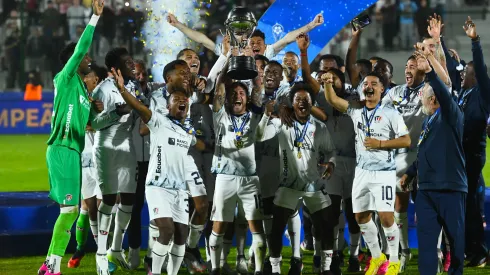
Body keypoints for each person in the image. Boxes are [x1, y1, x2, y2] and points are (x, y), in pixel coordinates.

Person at [111, 66, 208, 275]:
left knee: (182, 234)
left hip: (179, 189)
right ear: (168, 105)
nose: (181, 101)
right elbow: (138, 107)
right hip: (158, 186)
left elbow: (198, 144)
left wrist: (211, 146)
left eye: (184, 100)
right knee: (166, 229)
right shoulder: (159, 121)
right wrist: (122, 90)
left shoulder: (187, 131)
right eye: (176, 100)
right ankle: (154, 271)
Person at [37, 1, 104, 274]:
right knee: (69, 211)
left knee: (70, 211)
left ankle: (50, 264)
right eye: (85, 57)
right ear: (74, 62)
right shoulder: (65, 79)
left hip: (72, 152)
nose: (89, 59)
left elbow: (91, 126)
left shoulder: (84, 95)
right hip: (62, 149)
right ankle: (52, 264)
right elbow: (79, 50)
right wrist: (95, 19)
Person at [323, 71, 411, 275]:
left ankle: (395, 261)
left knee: (386, 217)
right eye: (365, 84)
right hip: (361, 172)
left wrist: (380, 143)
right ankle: (378, 257)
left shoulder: (391, 113)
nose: (369, 86)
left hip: (384, 173)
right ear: (362, 89)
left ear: (382, 89)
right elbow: (333, 100)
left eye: (374, 83)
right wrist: (328, 83)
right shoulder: (356, 111)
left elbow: (406, 140)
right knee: (360, 216)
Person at [256, 82, 337, 275]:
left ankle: (326, 269)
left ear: (311, 104)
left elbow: (331, 150)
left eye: (306, 100)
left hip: (314, 186)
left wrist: (331, 163)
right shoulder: (281, 123)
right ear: (292, 104)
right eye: (298, 99)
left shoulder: (320, 126)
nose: (302, 103)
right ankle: (275, 269)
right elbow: (259, 136)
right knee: (276, 229)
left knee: (325, 228)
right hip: (288, 186)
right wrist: (267, 115)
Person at [400, 51, 467, 275]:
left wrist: (430, 73)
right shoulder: (429, 121)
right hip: (426, 190)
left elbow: (446, 96)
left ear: (433, 99)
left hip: (450, 188)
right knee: (427, 243)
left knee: (456, 241)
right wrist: (410, 173)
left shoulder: (451, 115)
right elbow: (423, 151)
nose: (421, 103)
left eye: (423, 99)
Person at [208, 55, 265, 275]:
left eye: (242, 93)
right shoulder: (219, 115)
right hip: (224, 177)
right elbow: (221, 87)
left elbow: (258, 87)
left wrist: (248, 56)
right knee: (219, 225)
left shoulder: (254, 115)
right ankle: (215, 268)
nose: (237, 96)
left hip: (250, 179)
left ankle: (258, 270)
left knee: (256, 226)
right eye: (234, 94)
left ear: (247, 99)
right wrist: (229, 58)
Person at [91, 47, 140, 274]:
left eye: (132, 61)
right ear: (114, 69)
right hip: (106, 147)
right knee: (109, 200)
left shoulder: (132, 88)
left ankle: (116, 248)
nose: (133, 65)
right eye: (128, 62)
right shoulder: (102, 90)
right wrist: (115, 114)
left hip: (127, 147)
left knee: (128, 199)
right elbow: (93, 124)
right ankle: (101, 253)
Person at [68, 64, 108, 269]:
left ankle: (104, 252)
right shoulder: (75, 98)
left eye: (89, 78)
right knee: (88, 207)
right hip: (83, 159)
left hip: (102, 158)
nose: (86, 81)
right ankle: (81, 248)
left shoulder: (105, 98)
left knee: (104, 205)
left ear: (98, 79)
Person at [458, 17, 490, 267]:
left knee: (469, 205)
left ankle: (478, 250)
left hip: (472, 156)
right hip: (461, 156)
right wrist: (439, 43)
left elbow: (479, 67)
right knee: (467, 204)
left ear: (475, 77)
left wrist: (475, 42)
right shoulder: (463, 94)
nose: (462, 77)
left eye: (466, 74)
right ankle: (473, 248)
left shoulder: (482, 94)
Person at [166, 11, 324, 60]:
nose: (241, 33)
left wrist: (311, 25)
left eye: (244, 29)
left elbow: (288, 38)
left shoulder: (266, 51)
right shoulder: (227, 49)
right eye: (237, 29)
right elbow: (202, 39)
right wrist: (177, 24)